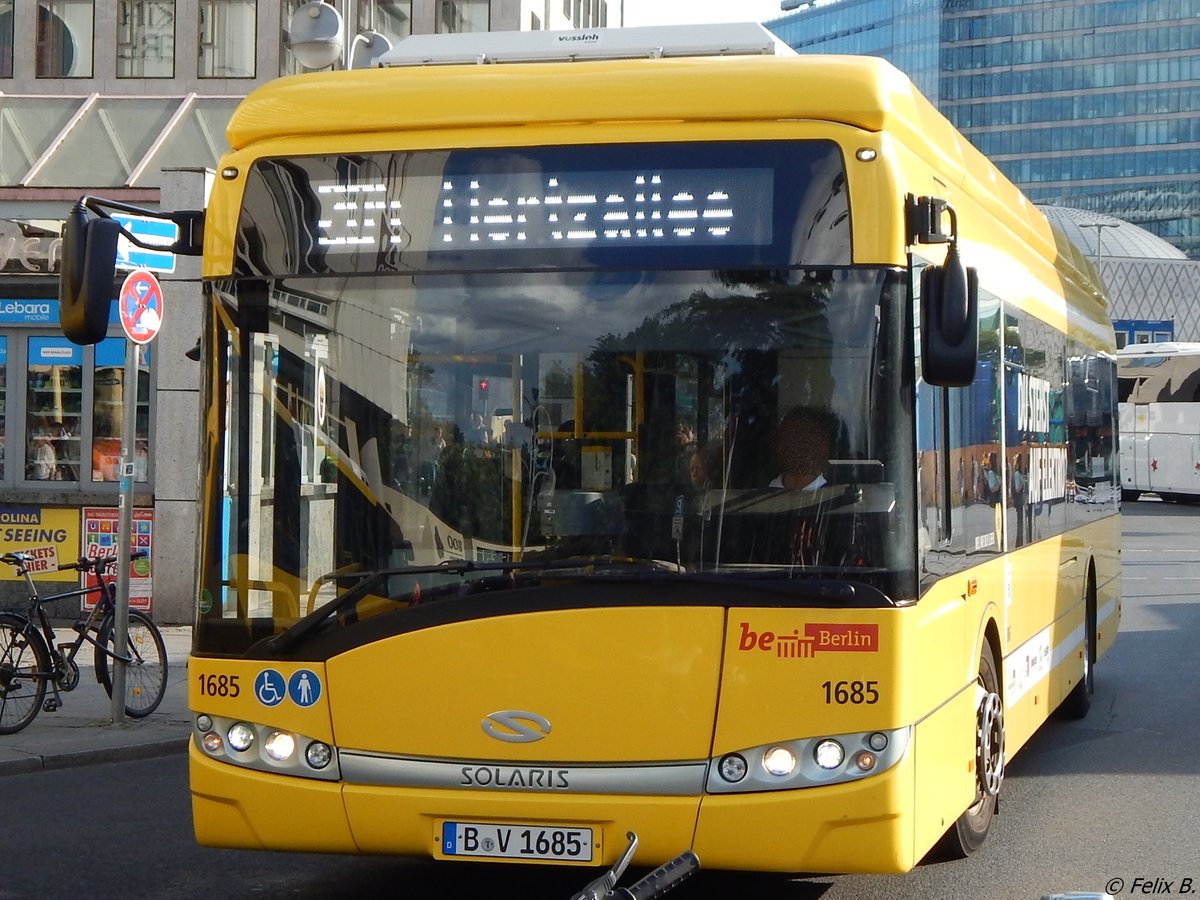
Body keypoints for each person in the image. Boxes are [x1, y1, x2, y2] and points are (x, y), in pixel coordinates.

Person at [769, 406, 833, 491]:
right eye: (790, 436)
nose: (796, 445)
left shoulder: (835, 494)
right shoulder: (759, 491)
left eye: (806, 438)